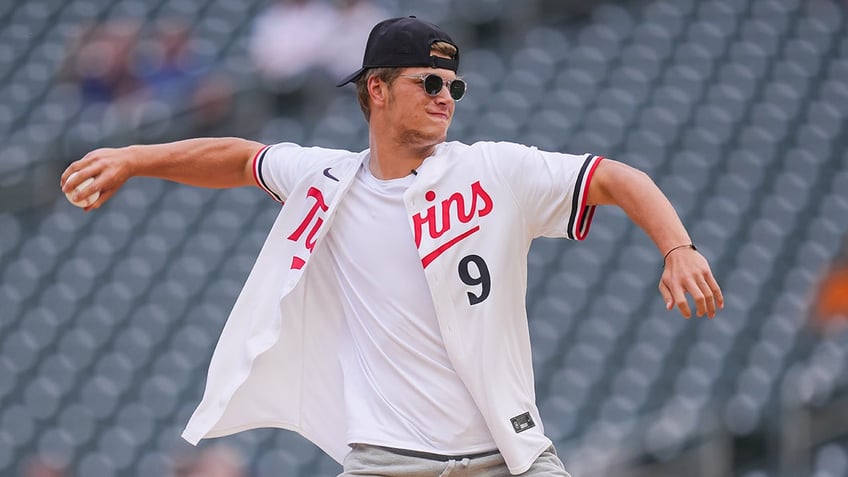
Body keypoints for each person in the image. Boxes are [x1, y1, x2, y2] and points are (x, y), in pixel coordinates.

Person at [61, 16, 723, 477]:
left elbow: (613, 176)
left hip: (505, 450)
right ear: (375, 88)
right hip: (389, 458)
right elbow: (240, 158)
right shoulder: (328, 180)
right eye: (427, 82)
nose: (445, 96)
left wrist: (677, 246)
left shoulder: (494, 168)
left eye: (453, 85)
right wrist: (136, 156)